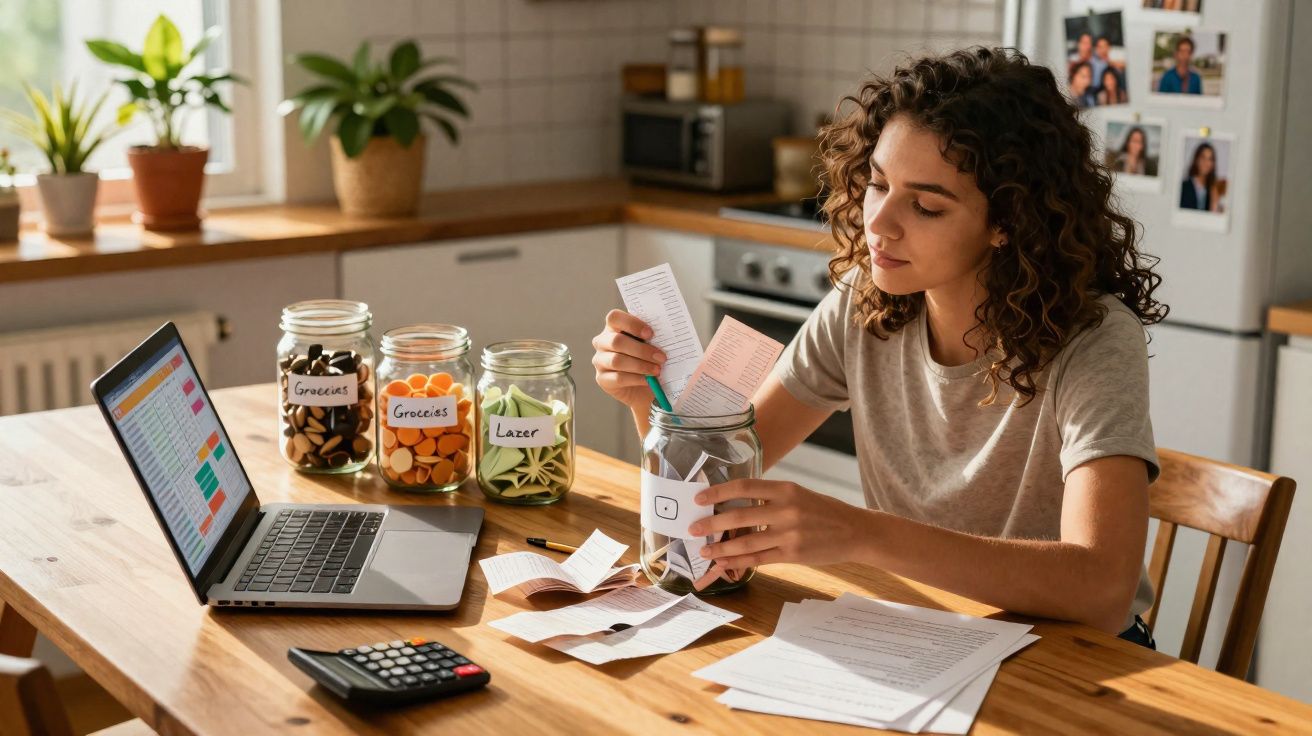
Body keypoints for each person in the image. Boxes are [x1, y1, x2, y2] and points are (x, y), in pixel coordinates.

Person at [593, 47, 1167, 646]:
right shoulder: (864, 305)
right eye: (878, 184)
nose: (880, 224)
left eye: (925, 205)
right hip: (926, 636)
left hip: (1076, 661)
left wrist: (861, 534)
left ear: (1008, 223)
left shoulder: (1094, 339)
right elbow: (713, 486)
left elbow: (1104, 592)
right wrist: (646, 398)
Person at [1180, 142, 1222, 211]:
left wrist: (1215, 201)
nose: (1206, 163)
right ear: (1196, 160)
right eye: (1203, 157)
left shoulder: (1212, 190)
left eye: (1210, 159)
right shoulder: (1184, 187)